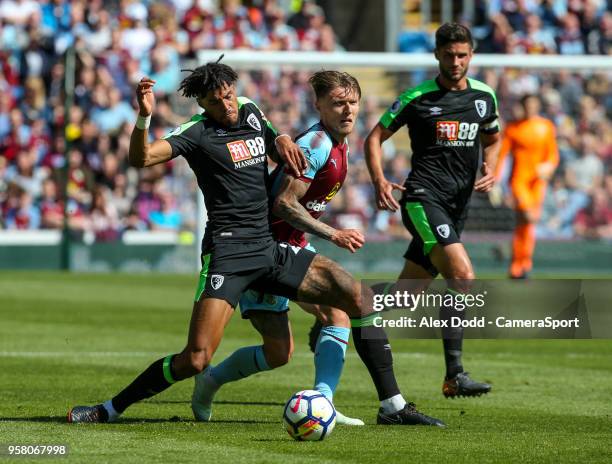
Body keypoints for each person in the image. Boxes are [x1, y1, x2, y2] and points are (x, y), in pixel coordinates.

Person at [67, 59, 444, 427]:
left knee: (356, 299)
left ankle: (392, 405)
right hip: (228, 254)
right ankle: (108, 409)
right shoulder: (195, 133)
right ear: (202, 103)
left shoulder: (248, 109)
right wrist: (145, 117)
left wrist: (279, 137)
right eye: (216, 101)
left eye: (229, 95)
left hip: (269, 247)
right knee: (196, 358)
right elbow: (141, 158)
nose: (227, 106)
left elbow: (268, 133)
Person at [191, 70, 365, 426]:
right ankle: (209, 380)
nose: (347, 110)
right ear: (320, 106)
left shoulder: (340, 145)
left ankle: (323, 402)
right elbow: (282, 204)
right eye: (339, 103)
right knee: (284, 348)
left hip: (291, 245)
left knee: (323, 323)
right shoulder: (315, 145)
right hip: (263, 249)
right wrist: (333, 234)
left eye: (352, 103)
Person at [363, 23, 501, 398]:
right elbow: (374, 136)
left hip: (457, 208)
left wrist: (493, 166)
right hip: (423, 199)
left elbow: (492, 138)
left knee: (406, 296)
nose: (455, 62)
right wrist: (378, 179)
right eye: (448, 55)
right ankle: (454, 375)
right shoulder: (417, 98)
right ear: (437, 55)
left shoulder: (485, 97)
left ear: (471, 55)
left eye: (462, 55)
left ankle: (347, 304)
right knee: (463, 276)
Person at [495, 94, 559, 279]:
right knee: (529, 217)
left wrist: (549, 166)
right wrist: (496, 181)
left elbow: (552, 155)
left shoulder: (546, 127)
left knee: (525, 224)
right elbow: (502, 156)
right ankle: (522, 263)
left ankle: (519, 265)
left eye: (534, 104)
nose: (531, 107)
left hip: (538, 183)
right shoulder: (514, 128)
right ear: (523, 106)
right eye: (528, 104)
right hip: (519, 181)